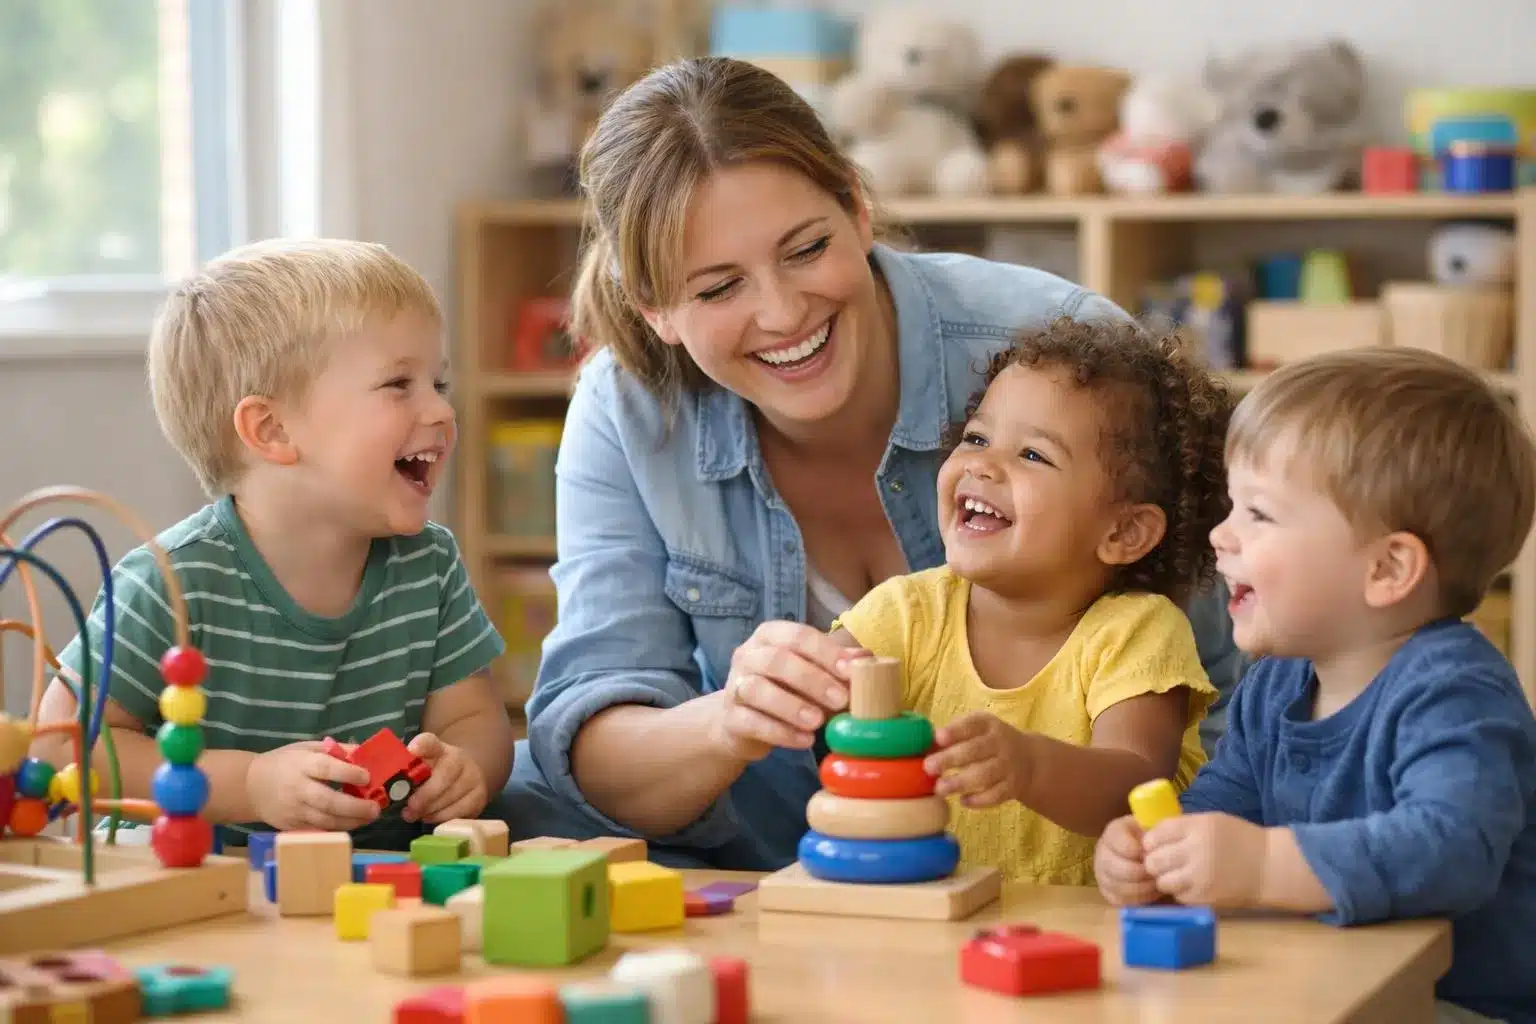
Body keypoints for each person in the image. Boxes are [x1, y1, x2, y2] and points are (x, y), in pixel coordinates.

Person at [502, 55, 1244, 870]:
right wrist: (729, 720)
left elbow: (1224, 701)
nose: (783, 314)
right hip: (760, 886)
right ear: (657, 311)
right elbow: (590, 746)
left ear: (857, 207)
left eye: (806, 248)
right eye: (717, 290)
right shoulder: (628, 407)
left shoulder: (1061, 357)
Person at [1094, 348, 1536, 1024]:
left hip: (1458, 1006)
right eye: (1231, 506)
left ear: (1388, 569)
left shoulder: (1455, 691)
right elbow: (1224, 807)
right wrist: (1160, 852)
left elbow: (1452, 848)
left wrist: (1264, 866)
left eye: (1259, 515)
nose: (1221, 535)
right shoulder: (1275, 682)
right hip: (1325, 985)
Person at [32, 238, 514, 852]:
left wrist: (465, 766)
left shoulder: (430, 566)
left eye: (437, 381)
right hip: (191, 891)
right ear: (273, 430)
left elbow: (475, 721)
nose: (442, 409)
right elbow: (61, 743)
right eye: (400, 384)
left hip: (370, 894)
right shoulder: (172, 582)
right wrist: (251, 784)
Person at [829, 318, 1229, 884]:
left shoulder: (1137, 632)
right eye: (976, 438)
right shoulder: (906, 612)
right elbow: (814, 688)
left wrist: (1030, 765)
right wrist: (784, 676)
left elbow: (1136, 787)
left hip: (1090, 938)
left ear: (1124, 533)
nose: (982, 465)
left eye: (1034, 455)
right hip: (932, 924)